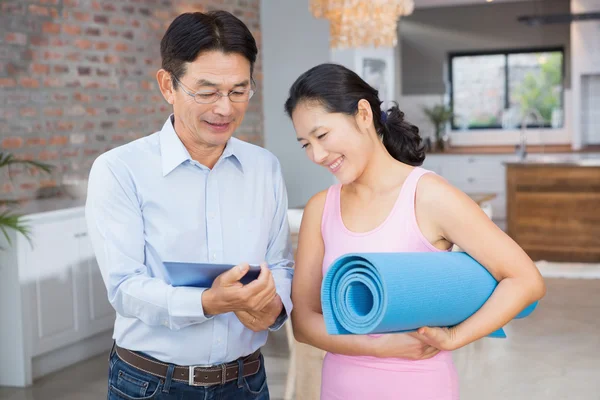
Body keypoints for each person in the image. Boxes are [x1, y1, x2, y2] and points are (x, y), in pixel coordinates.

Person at [284, 63, 546, 400]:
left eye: (322, 136)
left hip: (419, 386)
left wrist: (456, 337)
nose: (317, 155)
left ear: (363, 114)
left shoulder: (428, 195)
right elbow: (304, 322)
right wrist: (379, 348)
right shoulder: (320, 208)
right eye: (305, 144)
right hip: (339, 387)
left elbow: (526, 280)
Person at [85, 11, 293, 400]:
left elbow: (279, 264)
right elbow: (125, 287)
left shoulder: (265, 167)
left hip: (248, 382)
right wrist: (208, 303)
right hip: (151, 385)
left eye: (238, 90)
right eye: (207, 91)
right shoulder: (119, 170)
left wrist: (273, 308)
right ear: (168, 85)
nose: (225, 109)